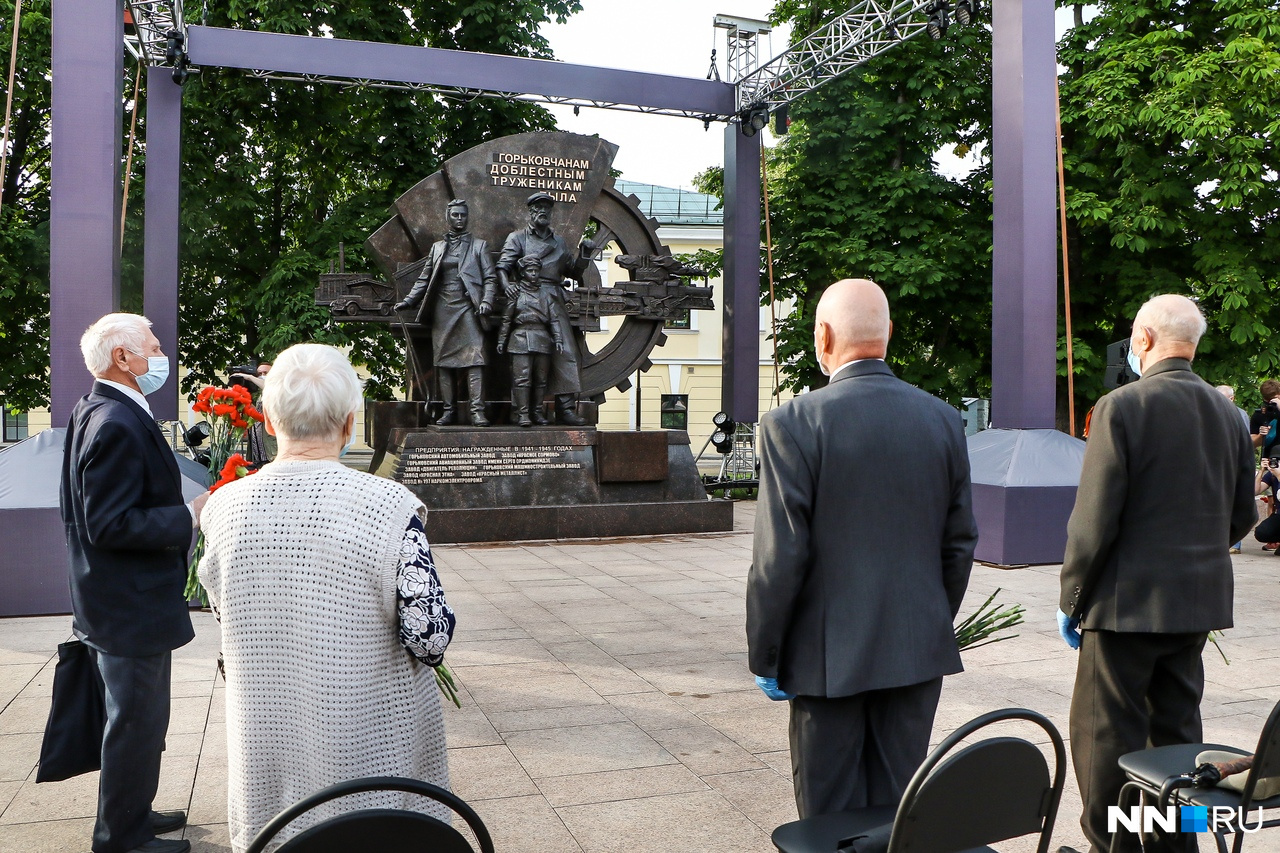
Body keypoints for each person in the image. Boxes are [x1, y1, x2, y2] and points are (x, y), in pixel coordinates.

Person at [197, 343, 456, 853]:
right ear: (348, 424)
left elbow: (225, 612)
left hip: (267, 745)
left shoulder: (223, 507)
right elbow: (429, 637)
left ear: (269, 422)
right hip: (373, 754)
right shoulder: (388, 506)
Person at [746, 278, 978, 818]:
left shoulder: (792, 423)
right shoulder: (943, 418)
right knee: (900, 814)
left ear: (823, 336)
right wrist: (927, 620)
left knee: (830, 822)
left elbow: (781, 557)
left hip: (827, 662)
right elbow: (960, 540)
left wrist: (767, 654)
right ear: (889, 333)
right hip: (916, 652)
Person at [1057, 294, 1255, 853]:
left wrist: (1072, 599)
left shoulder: (1122, 406)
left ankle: (1111, 845)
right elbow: (1241, 514)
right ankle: (1176, 845)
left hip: (1124, 607)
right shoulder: (1229, 415)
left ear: (1142, 340)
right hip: (1194, 605)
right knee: (1178, 740)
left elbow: (1092, 522)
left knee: (1105, 742)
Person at [60, 313, 209, 853]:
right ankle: (121, 837)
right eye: (152, 346)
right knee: (136, 724)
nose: (160, 353)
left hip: (118, 601)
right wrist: (189, 516)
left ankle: (134, 810)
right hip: (128, 607)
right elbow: (110, 524)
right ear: (122, 358)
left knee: (141, 721)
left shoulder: (100, 408)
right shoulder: (115, 421)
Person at [394, 198, 498, 427]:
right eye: (455, 215)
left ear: (467, 217)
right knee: (444, 362)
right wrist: (409, 301)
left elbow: (490, 278)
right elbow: (425, 278)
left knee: (475, 360)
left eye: (463, 215)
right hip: (443, 309)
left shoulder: (479, 246)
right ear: (447, 217)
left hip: (469, 307)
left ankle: (477, 412)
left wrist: (487, 301)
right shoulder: (438, 247)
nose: (459, 219)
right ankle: (448, 411)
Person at [497, 191, 593, 426]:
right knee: (523, 364)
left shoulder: (558, 241)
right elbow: (502, 266)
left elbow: (573, 272)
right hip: (526, 297)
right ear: (530, 212)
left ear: (551, 213)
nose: (542, 212)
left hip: (554, 298)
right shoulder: (517, 238)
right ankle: (521, 412)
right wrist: (507, 285)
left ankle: (566, 409)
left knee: (566, 353)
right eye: (538, 208)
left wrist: (586, 255)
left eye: (547, 208)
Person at [498, 255, 565, 427]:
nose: (534, 274)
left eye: (536, 270)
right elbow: (506, 319)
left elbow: (554, 319)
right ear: (522, 273)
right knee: (522, 379)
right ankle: (522, 414)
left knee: (541, 380)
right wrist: (501, 340)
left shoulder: (546, 294)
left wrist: (558, 338)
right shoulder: (515, 293)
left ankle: (537, 412)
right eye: (530, 270)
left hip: (542, 339)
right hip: (520, 339)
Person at [232, 361, 275, 466]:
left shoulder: (278, 389)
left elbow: (271, 388)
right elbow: (258, 415)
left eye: (265, 373)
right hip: (258, 447)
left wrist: (250, 377)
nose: (262, 376)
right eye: (259, 374)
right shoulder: (262, 394)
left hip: (271, 449)